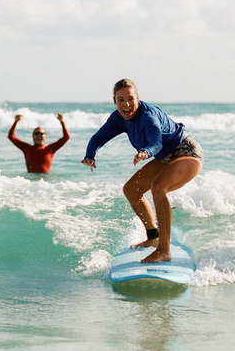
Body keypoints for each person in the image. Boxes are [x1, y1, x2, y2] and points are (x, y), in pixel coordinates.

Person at [81, 79, 204, 263]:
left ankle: (164, 250)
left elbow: (156, 141)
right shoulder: (118, 118)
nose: (126, 104)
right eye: (121, 100)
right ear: (115, 102)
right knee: (131, 189)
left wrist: (146, 152)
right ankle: (153, 237)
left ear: (138, 99)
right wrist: (90, 155)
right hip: (165, 157)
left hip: (186, 151)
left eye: (131, 98)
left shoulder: (148, 116)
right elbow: (98, 137)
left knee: (158, 187)